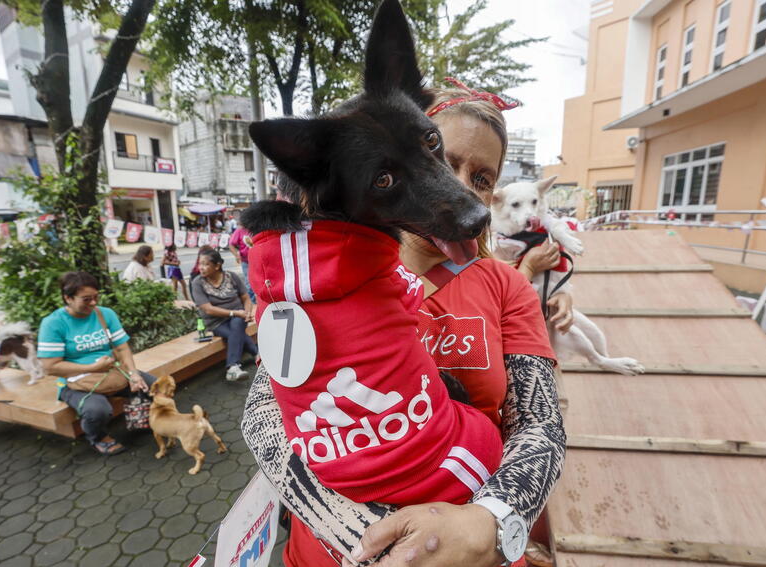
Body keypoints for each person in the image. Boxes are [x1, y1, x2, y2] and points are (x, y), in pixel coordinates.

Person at [242, 80, 569, 567]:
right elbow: (263, 419)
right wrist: (371, 542)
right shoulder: (311, 285)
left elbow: (541, 425)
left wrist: (492, 524)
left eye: (481, 178)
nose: (457, 187)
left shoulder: (507, 286)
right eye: (443, 157)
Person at [38, 271, 156, 455]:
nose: (93, 303)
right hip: (75, 382)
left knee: (153, 385)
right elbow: (50, 367)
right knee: (97, 410)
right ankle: (98, 438)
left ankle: (139, 423)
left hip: (112, 373)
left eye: (95, 297)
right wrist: (92, 368)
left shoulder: (105, 314)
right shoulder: (53, 324)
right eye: (86, 299)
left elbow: (123, 348)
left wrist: (134, 374)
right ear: (68, 298)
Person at [190, 249, 258, 381]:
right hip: (216, 322)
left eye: (205, 264)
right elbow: (208, 309)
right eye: (200, 264)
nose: (201, 268)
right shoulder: (197, 282)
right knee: (237, 333)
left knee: (237, 324)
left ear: (217, 265)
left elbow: (246, 298)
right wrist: (234, 313)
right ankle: (257, 353)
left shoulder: (231, 276)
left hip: (238, 317)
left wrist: (248, 312)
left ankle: (232, 367)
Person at [228, 226, 255, 300]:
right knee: (249, 283)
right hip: (246, 261)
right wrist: (236, 255)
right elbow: (231, 244)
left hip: (259, 260)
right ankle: (251, 303)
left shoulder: (259, 227)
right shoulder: (240, 230)